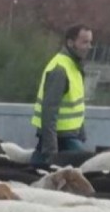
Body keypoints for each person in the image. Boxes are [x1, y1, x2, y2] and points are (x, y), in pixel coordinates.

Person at [31, 24, 93, 166]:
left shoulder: (74, 66)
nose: (89, 47)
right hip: (60, 140)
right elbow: (49, 112)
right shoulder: (60, 69)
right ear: (70, 43)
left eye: (90, 42)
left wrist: (81, 133)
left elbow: (76, 107)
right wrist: (52, 154)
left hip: (69, 137)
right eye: (84, 42)